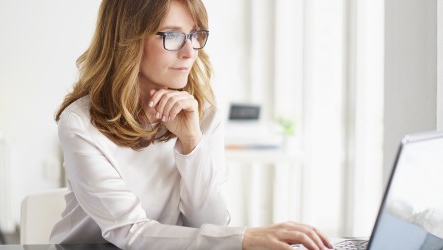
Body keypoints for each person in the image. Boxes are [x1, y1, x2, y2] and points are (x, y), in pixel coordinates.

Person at [50, 0, 333, 249]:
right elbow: (130, 232)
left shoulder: (202, 115)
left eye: (195, 35)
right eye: (172, 35)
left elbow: (211, 223)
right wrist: (244, 239)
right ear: (128, 40)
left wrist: (192, 143)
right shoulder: (80, 124)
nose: (189, 52)